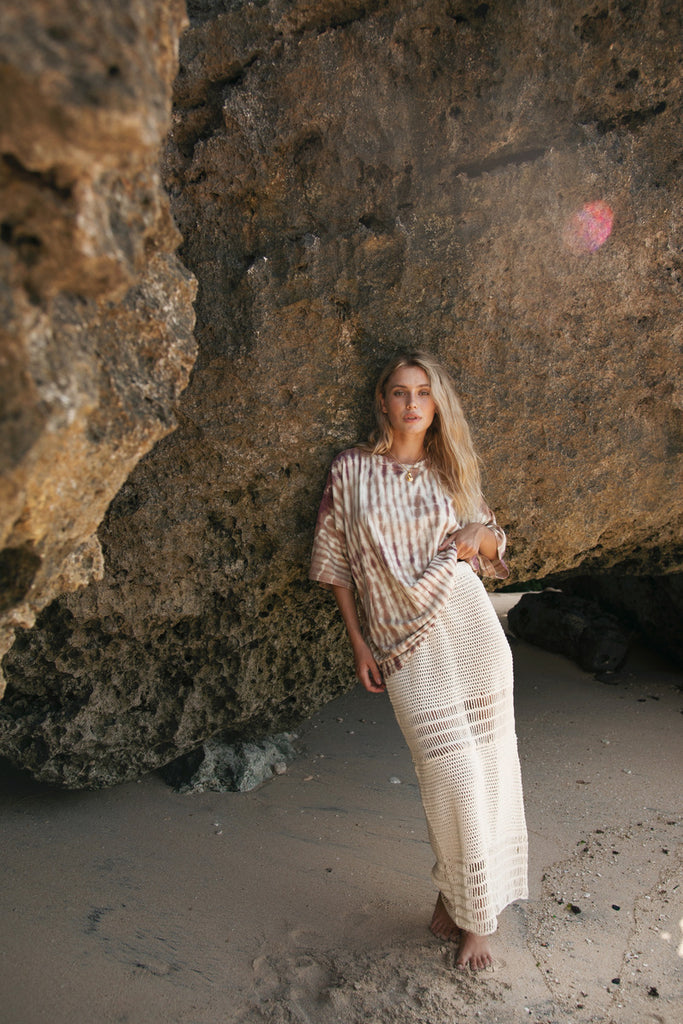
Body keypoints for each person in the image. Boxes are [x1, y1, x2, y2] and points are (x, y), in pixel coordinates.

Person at [310, 350, 528, 970]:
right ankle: (459, 890)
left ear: (436, 407)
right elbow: (336, 564)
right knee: (449, 777)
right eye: (401, 392)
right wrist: (359, 642)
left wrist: (471, 537)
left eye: (424, 393)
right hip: (402, 643)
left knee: (487, 767)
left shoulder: (449, 469)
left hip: (470, 626)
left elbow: (493, 543)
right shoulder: (351, 471)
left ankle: (473, 915)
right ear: (383, 402)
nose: (412, 403)